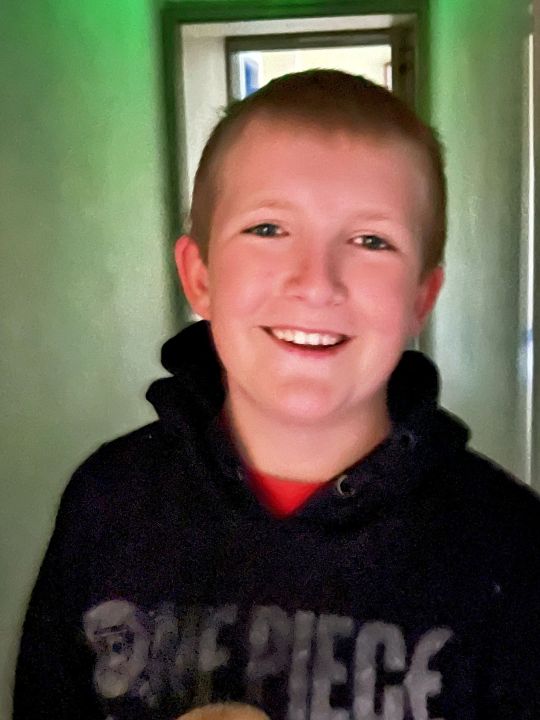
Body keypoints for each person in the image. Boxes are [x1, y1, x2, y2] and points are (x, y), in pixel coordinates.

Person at [13, 70, 540, 720]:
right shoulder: (106, 504)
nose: (316, 282)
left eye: (371, 241)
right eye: (267, 229)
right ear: (200, 278)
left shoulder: (510, 545)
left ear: (420, 299)